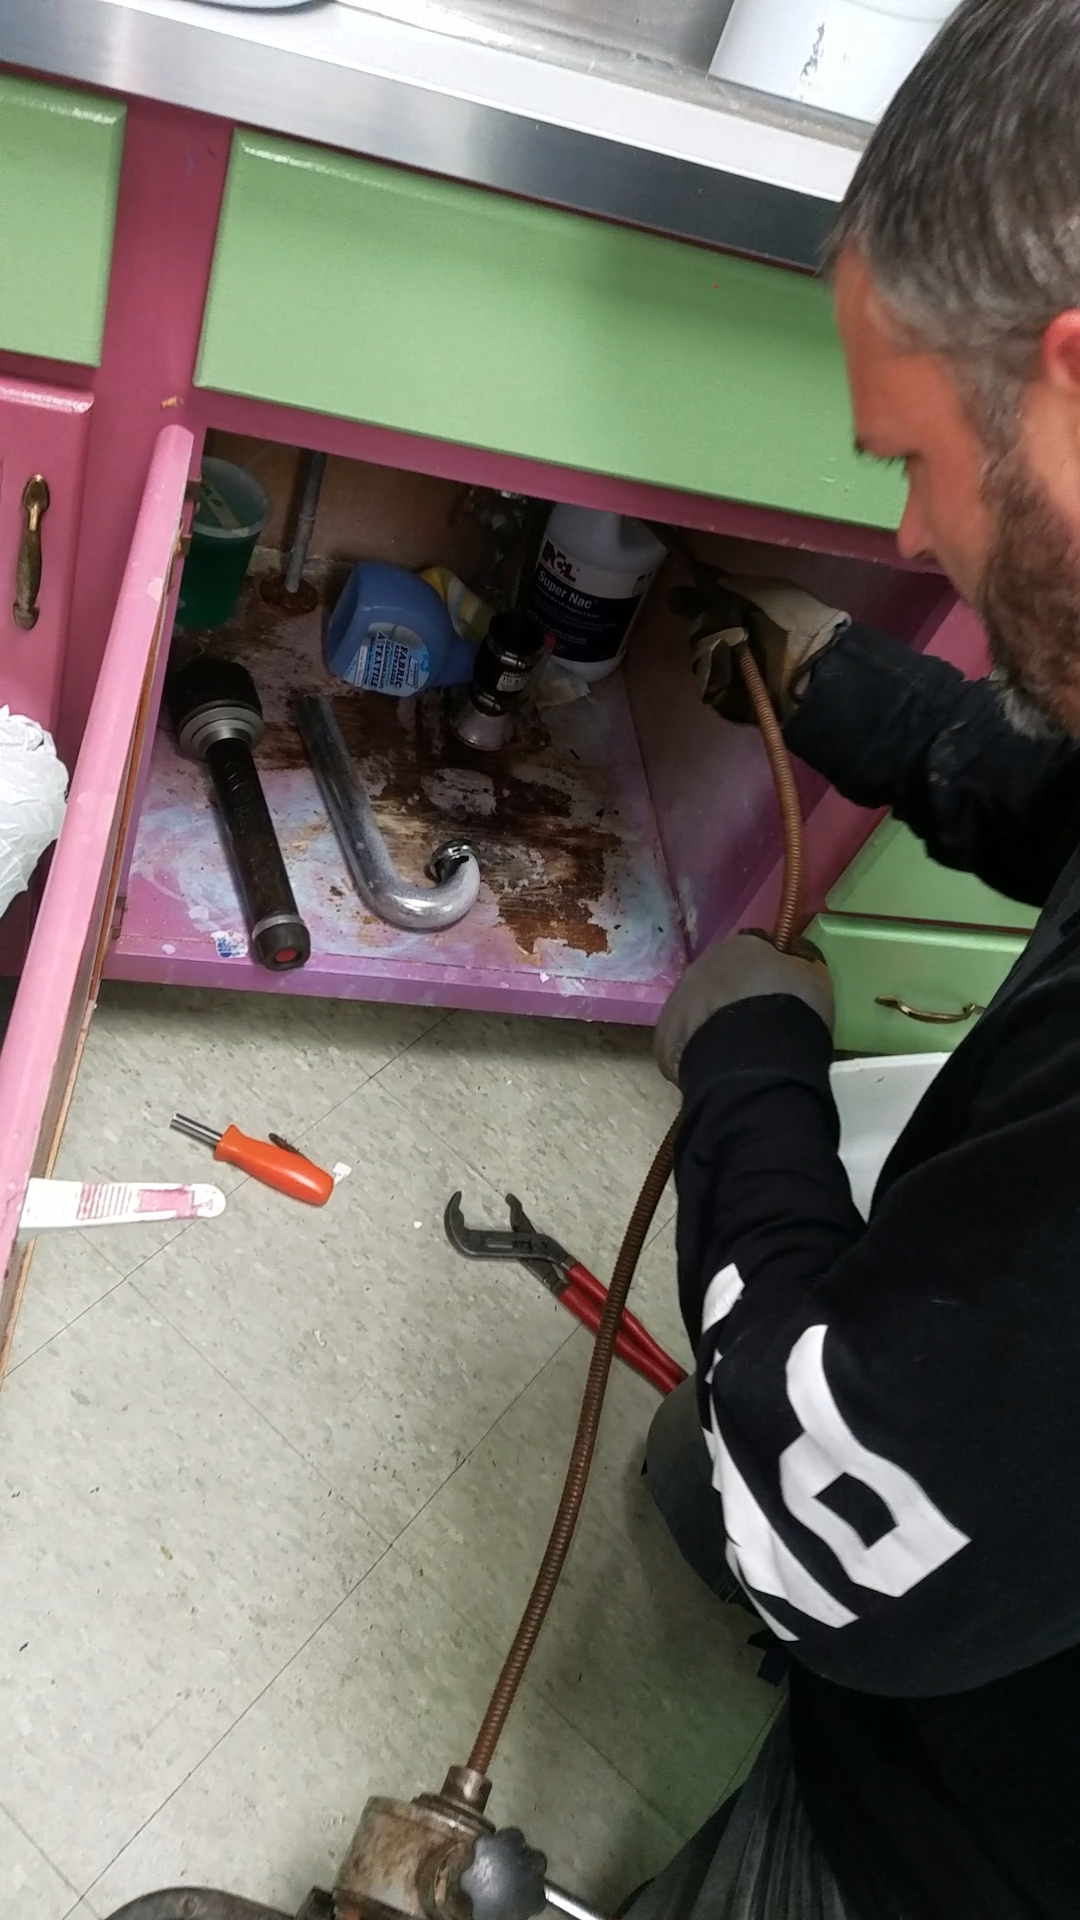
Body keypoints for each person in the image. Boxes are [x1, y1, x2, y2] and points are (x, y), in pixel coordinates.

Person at [636, 3, 1080, 1916]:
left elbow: (840, 1527)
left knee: (759, 1526)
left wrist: (750, 1071)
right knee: (705, 1477)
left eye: (914, 457)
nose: (906, 524)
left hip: (967, 1835)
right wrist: (853, 693)